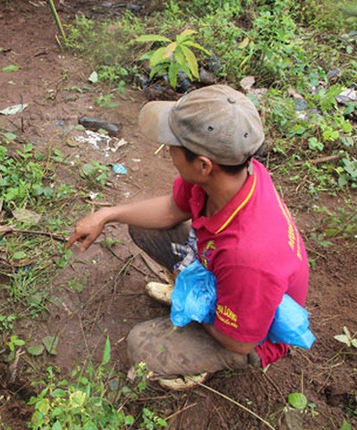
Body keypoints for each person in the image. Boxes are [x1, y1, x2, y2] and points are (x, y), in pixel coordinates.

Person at [65, 85, 309, 390]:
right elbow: (171, 209)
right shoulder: (234, 174)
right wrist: (106, 215)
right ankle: (194, 296)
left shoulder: (248, 256)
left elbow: (238, 341)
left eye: (173, 146)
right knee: (143, 225)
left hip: (254, 332)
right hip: (231, 279)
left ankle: (198, 356)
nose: (167, 151)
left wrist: (194, 302)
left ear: (204, 165)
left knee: (143, 349)